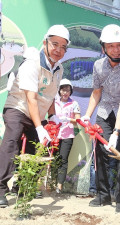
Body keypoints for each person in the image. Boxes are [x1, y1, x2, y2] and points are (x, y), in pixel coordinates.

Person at [0, 24, 70, 207]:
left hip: (37, 114)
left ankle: (23, 186)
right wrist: (39, 127)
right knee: (11, 142)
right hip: (18, 108)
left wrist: (52, 117)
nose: (59, 50)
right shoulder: (32, 64)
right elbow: (30, 98)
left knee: (39, 149)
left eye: (63, 47)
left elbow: (50, 96)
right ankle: (0, 188)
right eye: (55, 44)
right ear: (45, 43)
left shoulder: (59, 69)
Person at [80, 24, 120, 214]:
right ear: (104, 48)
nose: (116, 50)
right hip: (106, 111)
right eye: (111, 45)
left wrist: (116, 132)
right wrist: (87, 114)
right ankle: (102, 195)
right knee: (100, 150)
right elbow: (96, 93)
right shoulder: (98, 66)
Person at [54, 79, 81, 193]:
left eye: (67, 90)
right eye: (63, 90)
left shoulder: (74, 103)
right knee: (52, 158)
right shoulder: (54, 102)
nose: (65, 93)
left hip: (67, 135)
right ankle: (49, 182)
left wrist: (69, 119)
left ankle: (59, 185)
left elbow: (78, 120)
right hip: (54, 134)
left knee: (63, 159)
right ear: (59, 91)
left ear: (71, 92)